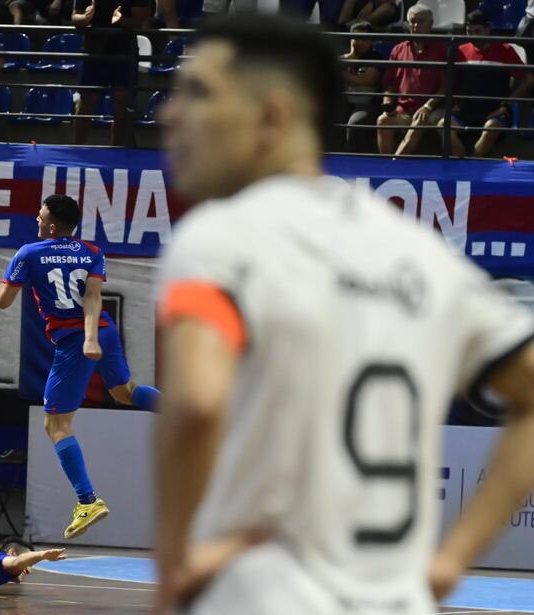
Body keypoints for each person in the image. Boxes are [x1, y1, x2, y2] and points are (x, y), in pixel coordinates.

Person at [155, 13, 534, 615]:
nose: (169, 115)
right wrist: (450, 562)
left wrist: (174, 571)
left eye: (197, 92)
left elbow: (195, 408)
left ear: (273, 115)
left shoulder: (220, 239)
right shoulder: (424, 256)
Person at [0, 194, 160, 539]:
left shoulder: (28, 253)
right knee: (125, 393)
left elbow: (1, 300)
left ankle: (87, 500)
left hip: (75, 341)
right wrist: (93, 336)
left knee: (55, 424)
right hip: (105, 331)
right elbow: (92, 297)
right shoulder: (92, 252)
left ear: (52, 225)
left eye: (40, 215)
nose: (37, 219)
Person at [439, 9, 534, 158]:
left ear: (488, 29)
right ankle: (462, 164)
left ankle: (473, 165)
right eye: (469, 31)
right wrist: (455, 103)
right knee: (443, 125)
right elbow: (452, 80)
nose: (473, 36)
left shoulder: (505, 50)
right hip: (466, 111)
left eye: (478, 31)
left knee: (491, 128)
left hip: (495, 112)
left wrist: (506, 104)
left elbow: (528, 79)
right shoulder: (461, 51)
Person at [72, 0, 150, 146]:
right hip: (94, 50)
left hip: (124, 51)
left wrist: (123, 20)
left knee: (122, 103)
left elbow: (140, 20)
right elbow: (76, 18)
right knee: (86, 101)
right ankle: (78, 148)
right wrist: (86, 17)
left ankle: (116, 151)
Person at [376, 4, 446, 156]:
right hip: (403, 110)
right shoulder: (398, 50)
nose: (416, 25)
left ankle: (392, 170)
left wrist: (427, 106)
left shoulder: (442, 50)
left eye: (421, 21)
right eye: (413, 22)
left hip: (431, 109)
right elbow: (389, 84)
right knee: (383, 121)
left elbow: (445, 88)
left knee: (419, 122)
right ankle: (386, 166)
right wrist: (387, 101)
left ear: (431, 24)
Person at [340, 21, 383, 152]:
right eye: (356, 38)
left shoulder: (375, 58)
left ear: (371, 41)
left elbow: (367, 80)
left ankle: (352, 161)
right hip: (344, 102)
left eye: (364, 39)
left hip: (366, 104)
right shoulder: (342, 58)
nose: (360, 42)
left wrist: (341, 72)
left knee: (355, 123)